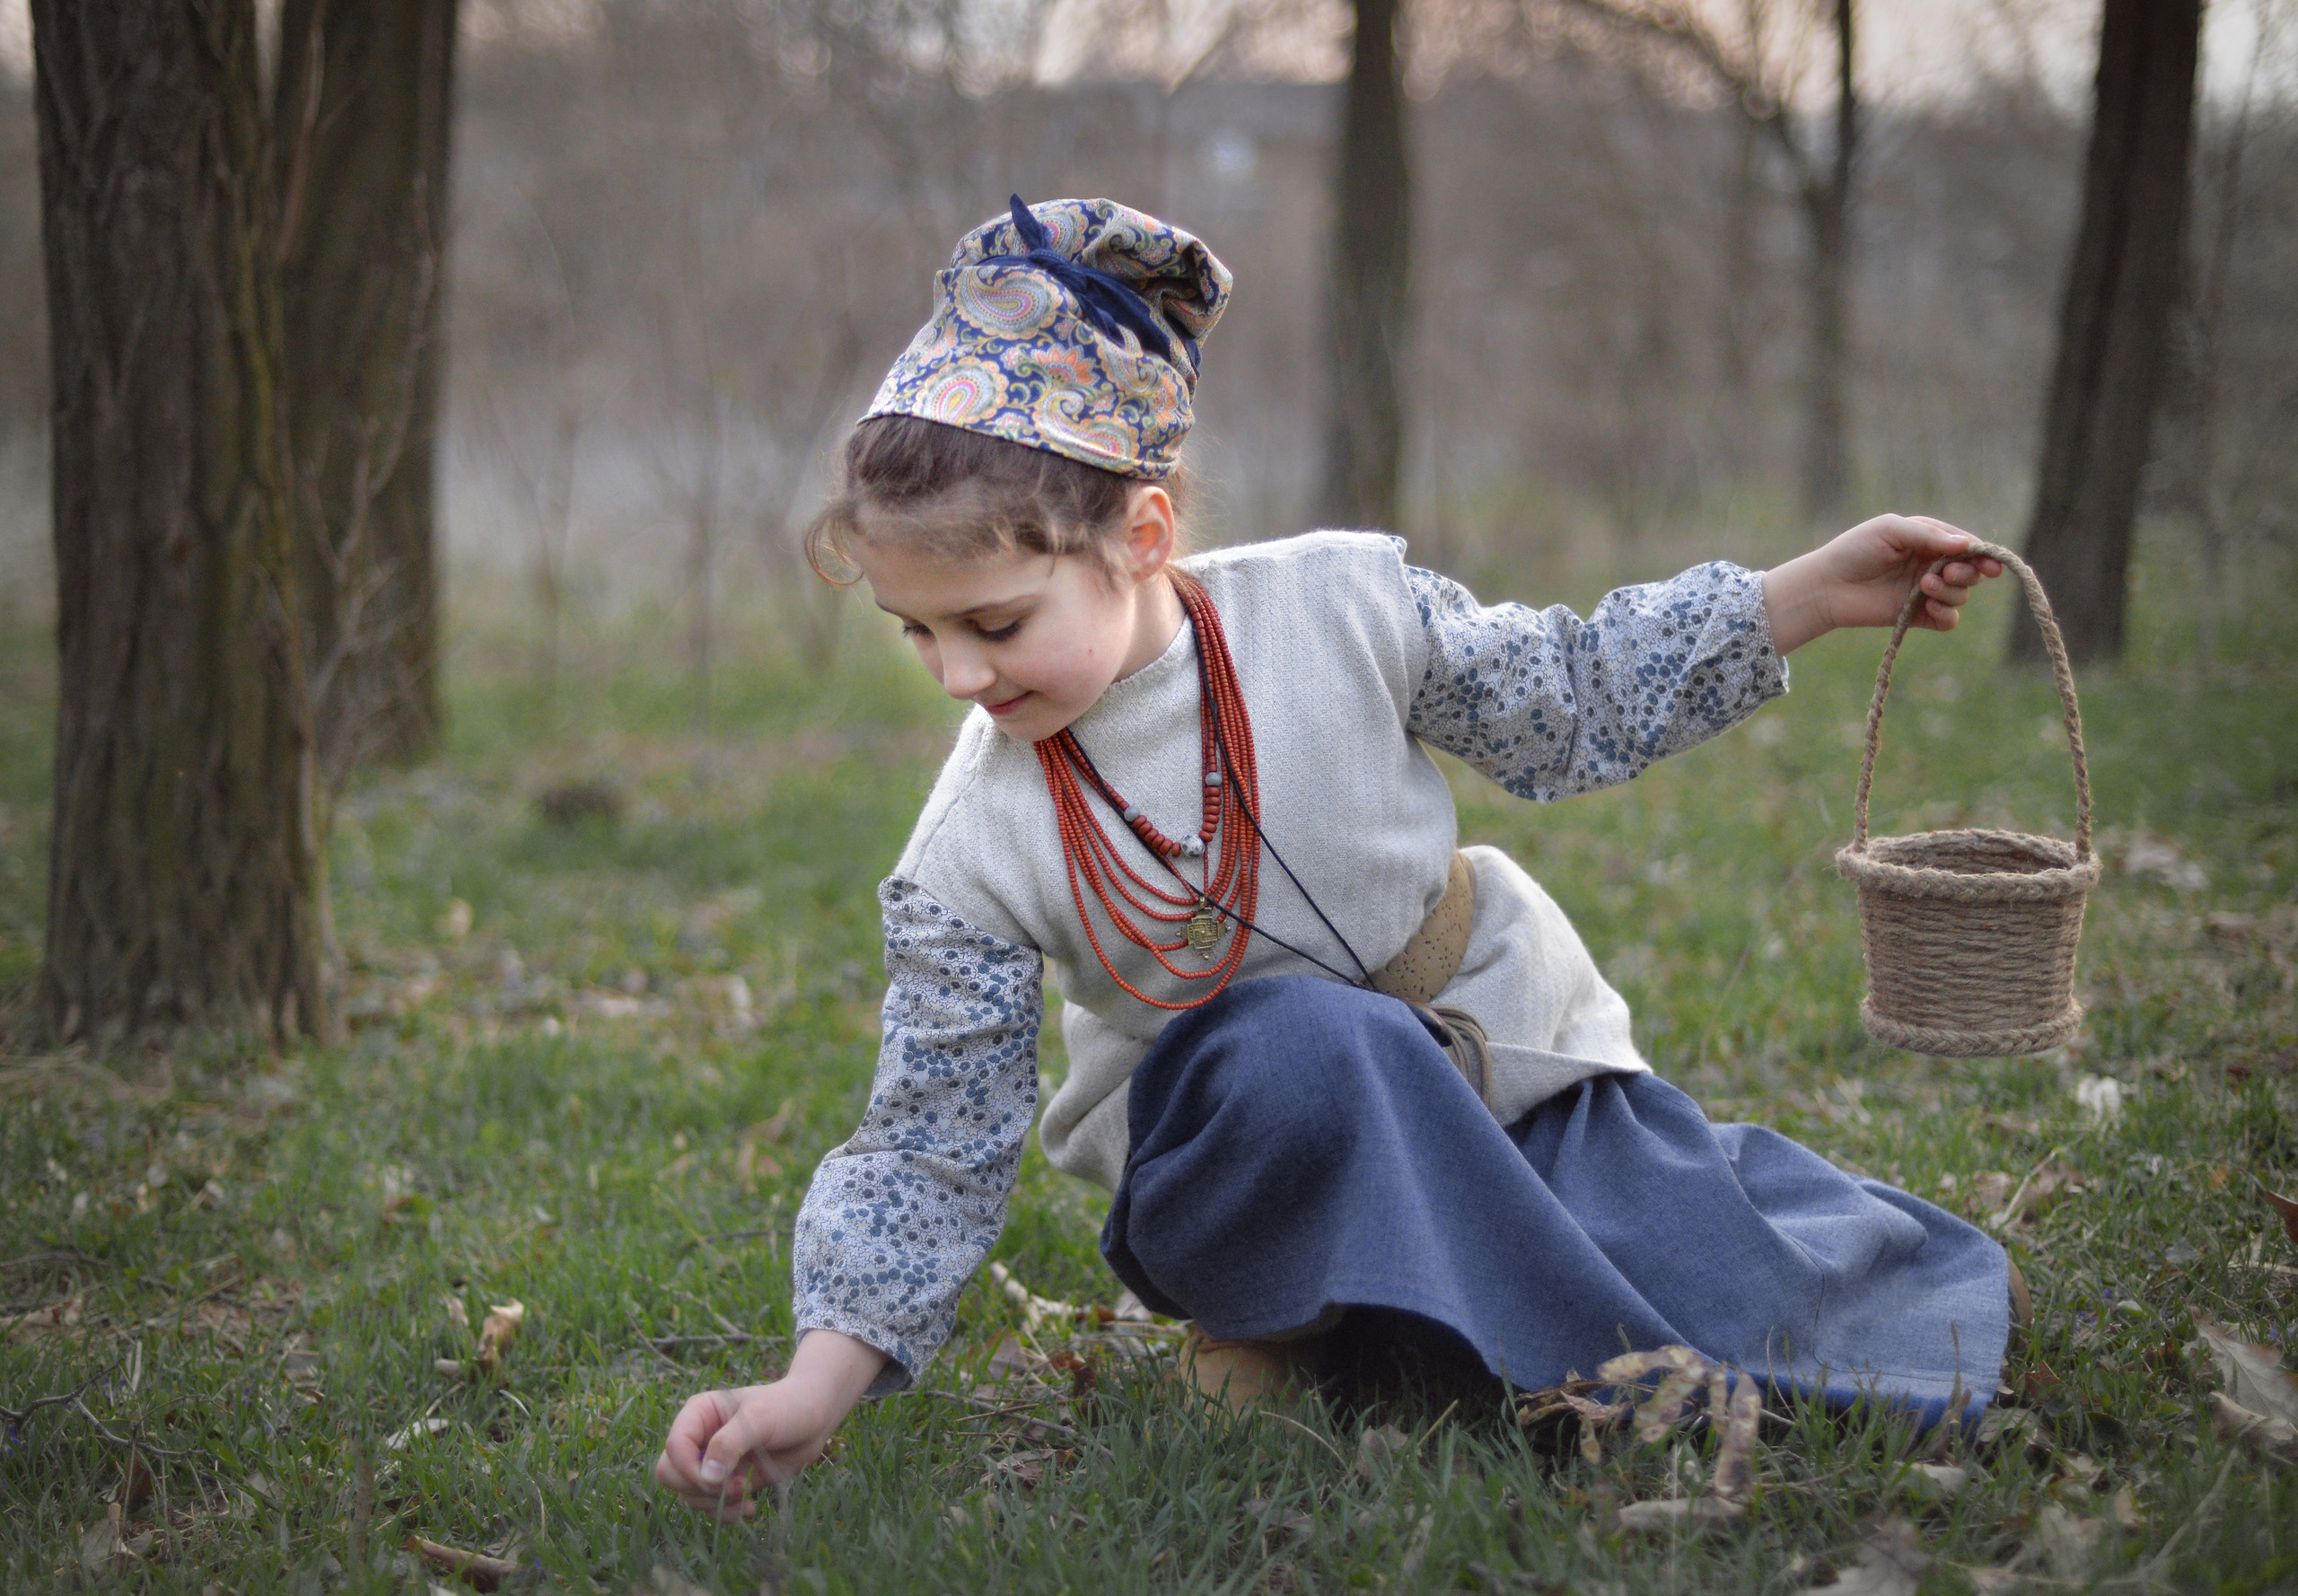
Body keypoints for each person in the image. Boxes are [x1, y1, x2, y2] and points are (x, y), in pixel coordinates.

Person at [654, 197, 2014, 1521]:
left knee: (1747, 1263)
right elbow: (931, 1147)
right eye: (918, 632)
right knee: (1312, 1040)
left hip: (1495, 1074)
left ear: (1141, 538)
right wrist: (813, 1385)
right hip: (1252, 1148)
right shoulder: (970, 853)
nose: (956, 674)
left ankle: (1417, 1333)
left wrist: (1807, 595)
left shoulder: (1340, 607)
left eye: (995, 624)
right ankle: (1325, 1318)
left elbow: (1571, 691)